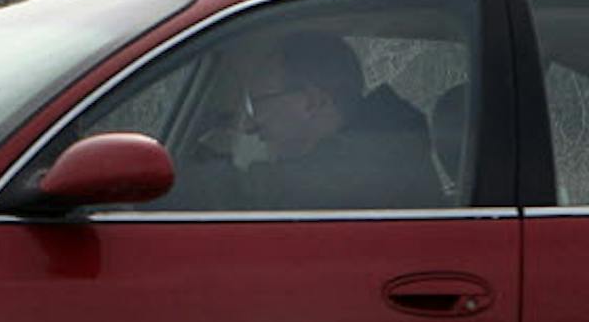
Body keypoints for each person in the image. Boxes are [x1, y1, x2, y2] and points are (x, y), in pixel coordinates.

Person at [171, 31, 441, 211]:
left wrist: (189, 161)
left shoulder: (356, 171)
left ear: (313, 102)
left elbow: (238, 195)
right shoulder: (383, 149)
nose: (250, 126)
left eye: (257, 104)